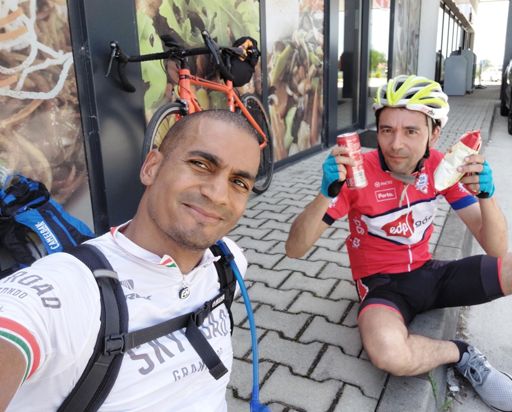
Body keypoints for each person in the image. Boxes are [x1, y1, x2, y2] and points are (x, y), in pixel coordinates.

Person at [0, 110, 261, 411]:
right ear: (151, 168)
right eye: (200, 164)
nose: (218, 195)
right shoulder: (67, 289)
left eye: (238, 182)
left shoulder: (227, 262)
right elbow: (22, 320)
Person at [286, 74, 512, 411]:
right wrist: (325, 194)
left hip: (429, 274)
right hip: (382, 287)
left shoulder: (440, 167)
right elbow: (294, 249)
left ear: (434, 134)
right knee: (389, 354)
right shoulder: (356, 174)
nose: (395, 144)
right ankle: (461, 354)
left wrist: (486, 196)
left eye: (411, 131)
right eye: (387, 130)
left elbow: (495, 249)